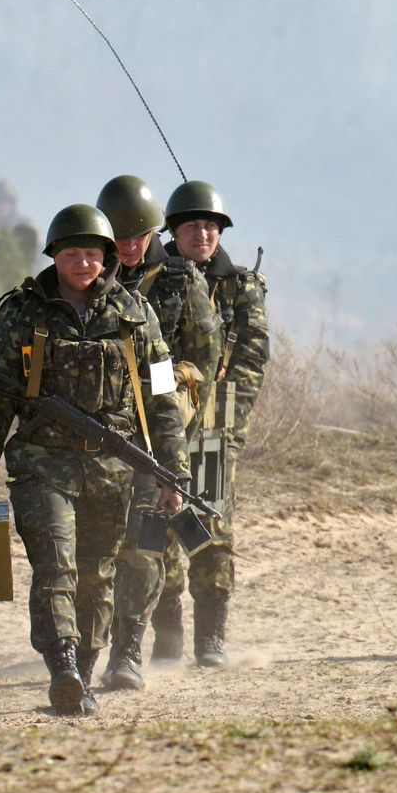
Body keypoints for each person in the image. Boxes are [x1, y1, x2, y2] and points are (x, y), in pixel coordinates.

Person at [0, 204, 188, 716]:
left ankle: (84, 668)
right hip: (42, 465)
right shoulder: (22, 313)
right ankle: (62, 665)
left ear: (107, 258)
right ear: (54, 256)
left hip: (113, 470)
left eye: (91, 254)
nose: (82, 264)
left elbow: (162, 398)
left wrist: (173, 474)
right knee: (55, 565)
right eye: (71, 255)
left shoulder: (135, 314)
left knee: (97, 573)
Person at [95, 175, 223, 690]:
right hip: (100, 434)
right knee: (102, 548)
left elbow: (205, 360)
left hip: (162, 430)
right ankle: (124, 640)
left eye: (138, 235)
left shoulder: (179, 279)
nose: (129, 246)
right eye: (119, 236)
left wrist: (160, 386)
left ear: (153, 233)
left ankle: (136, 650)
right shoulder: (87, 277)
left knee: (153, 540)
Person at [161, 180, 269, 668]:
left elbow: (251, 360)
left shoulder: (240, 286)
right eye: (192, 226)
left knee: (210, 528)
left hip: (215, 425)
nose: (202, 234)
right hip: (158, 422)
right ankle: (166, 638)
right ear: (173, 231)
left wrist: (230, 424)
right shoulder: (153, 278)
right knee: (156, 531)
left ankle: (210, 639)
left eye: (210, 226)